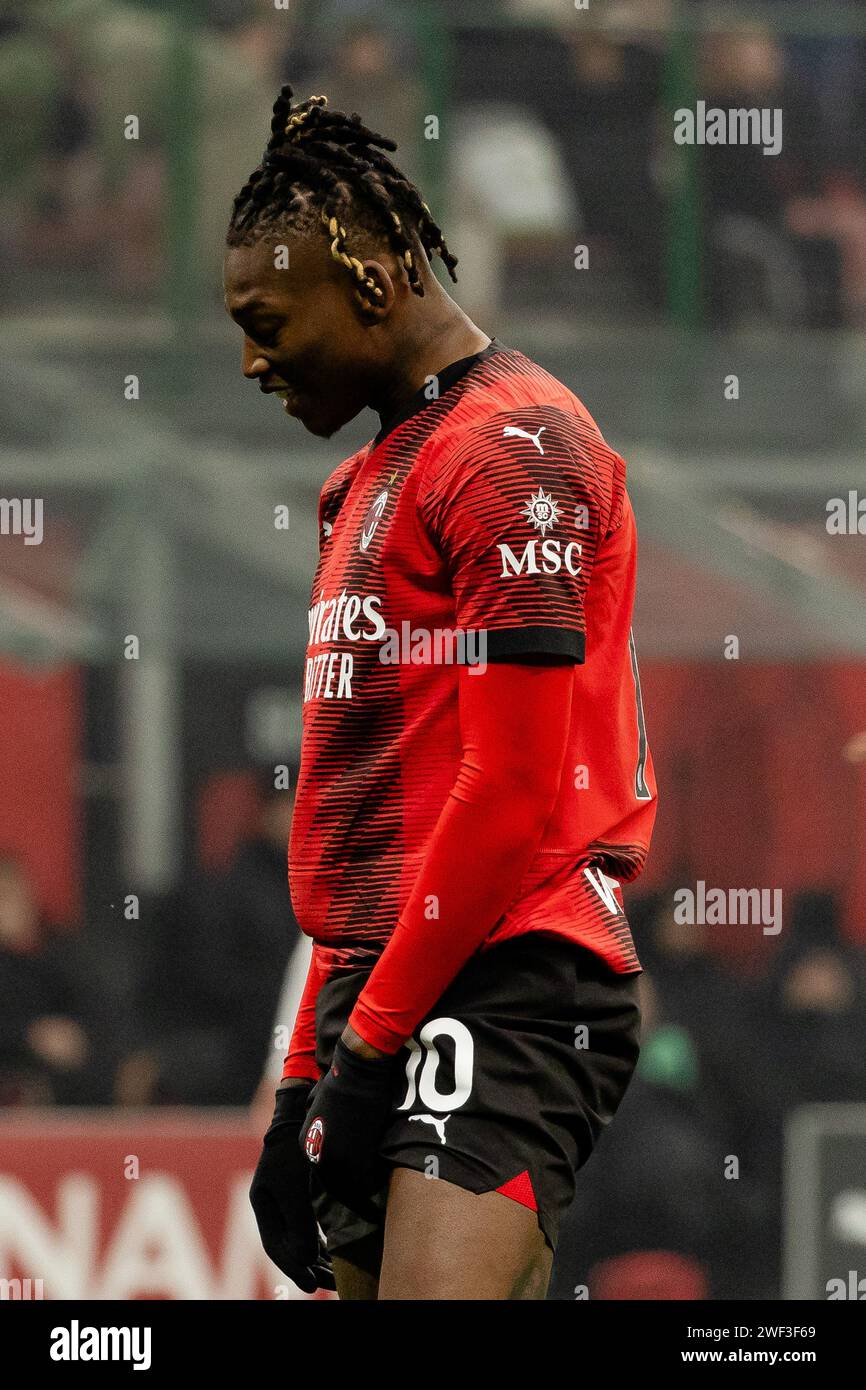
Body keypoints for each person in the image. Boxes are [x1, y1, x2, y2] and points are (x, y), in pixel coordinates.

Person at [223, 85, 658, 1301]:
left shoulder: (511, 451)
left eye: (266, 322)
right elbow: (359, 823)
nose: (252, 361)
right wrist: (305, 1072)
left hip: (512, 967)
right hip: (380, 981)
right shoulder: (361, 483)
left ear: (369, 281)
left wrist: (364, 1052)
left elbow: (510, 791)